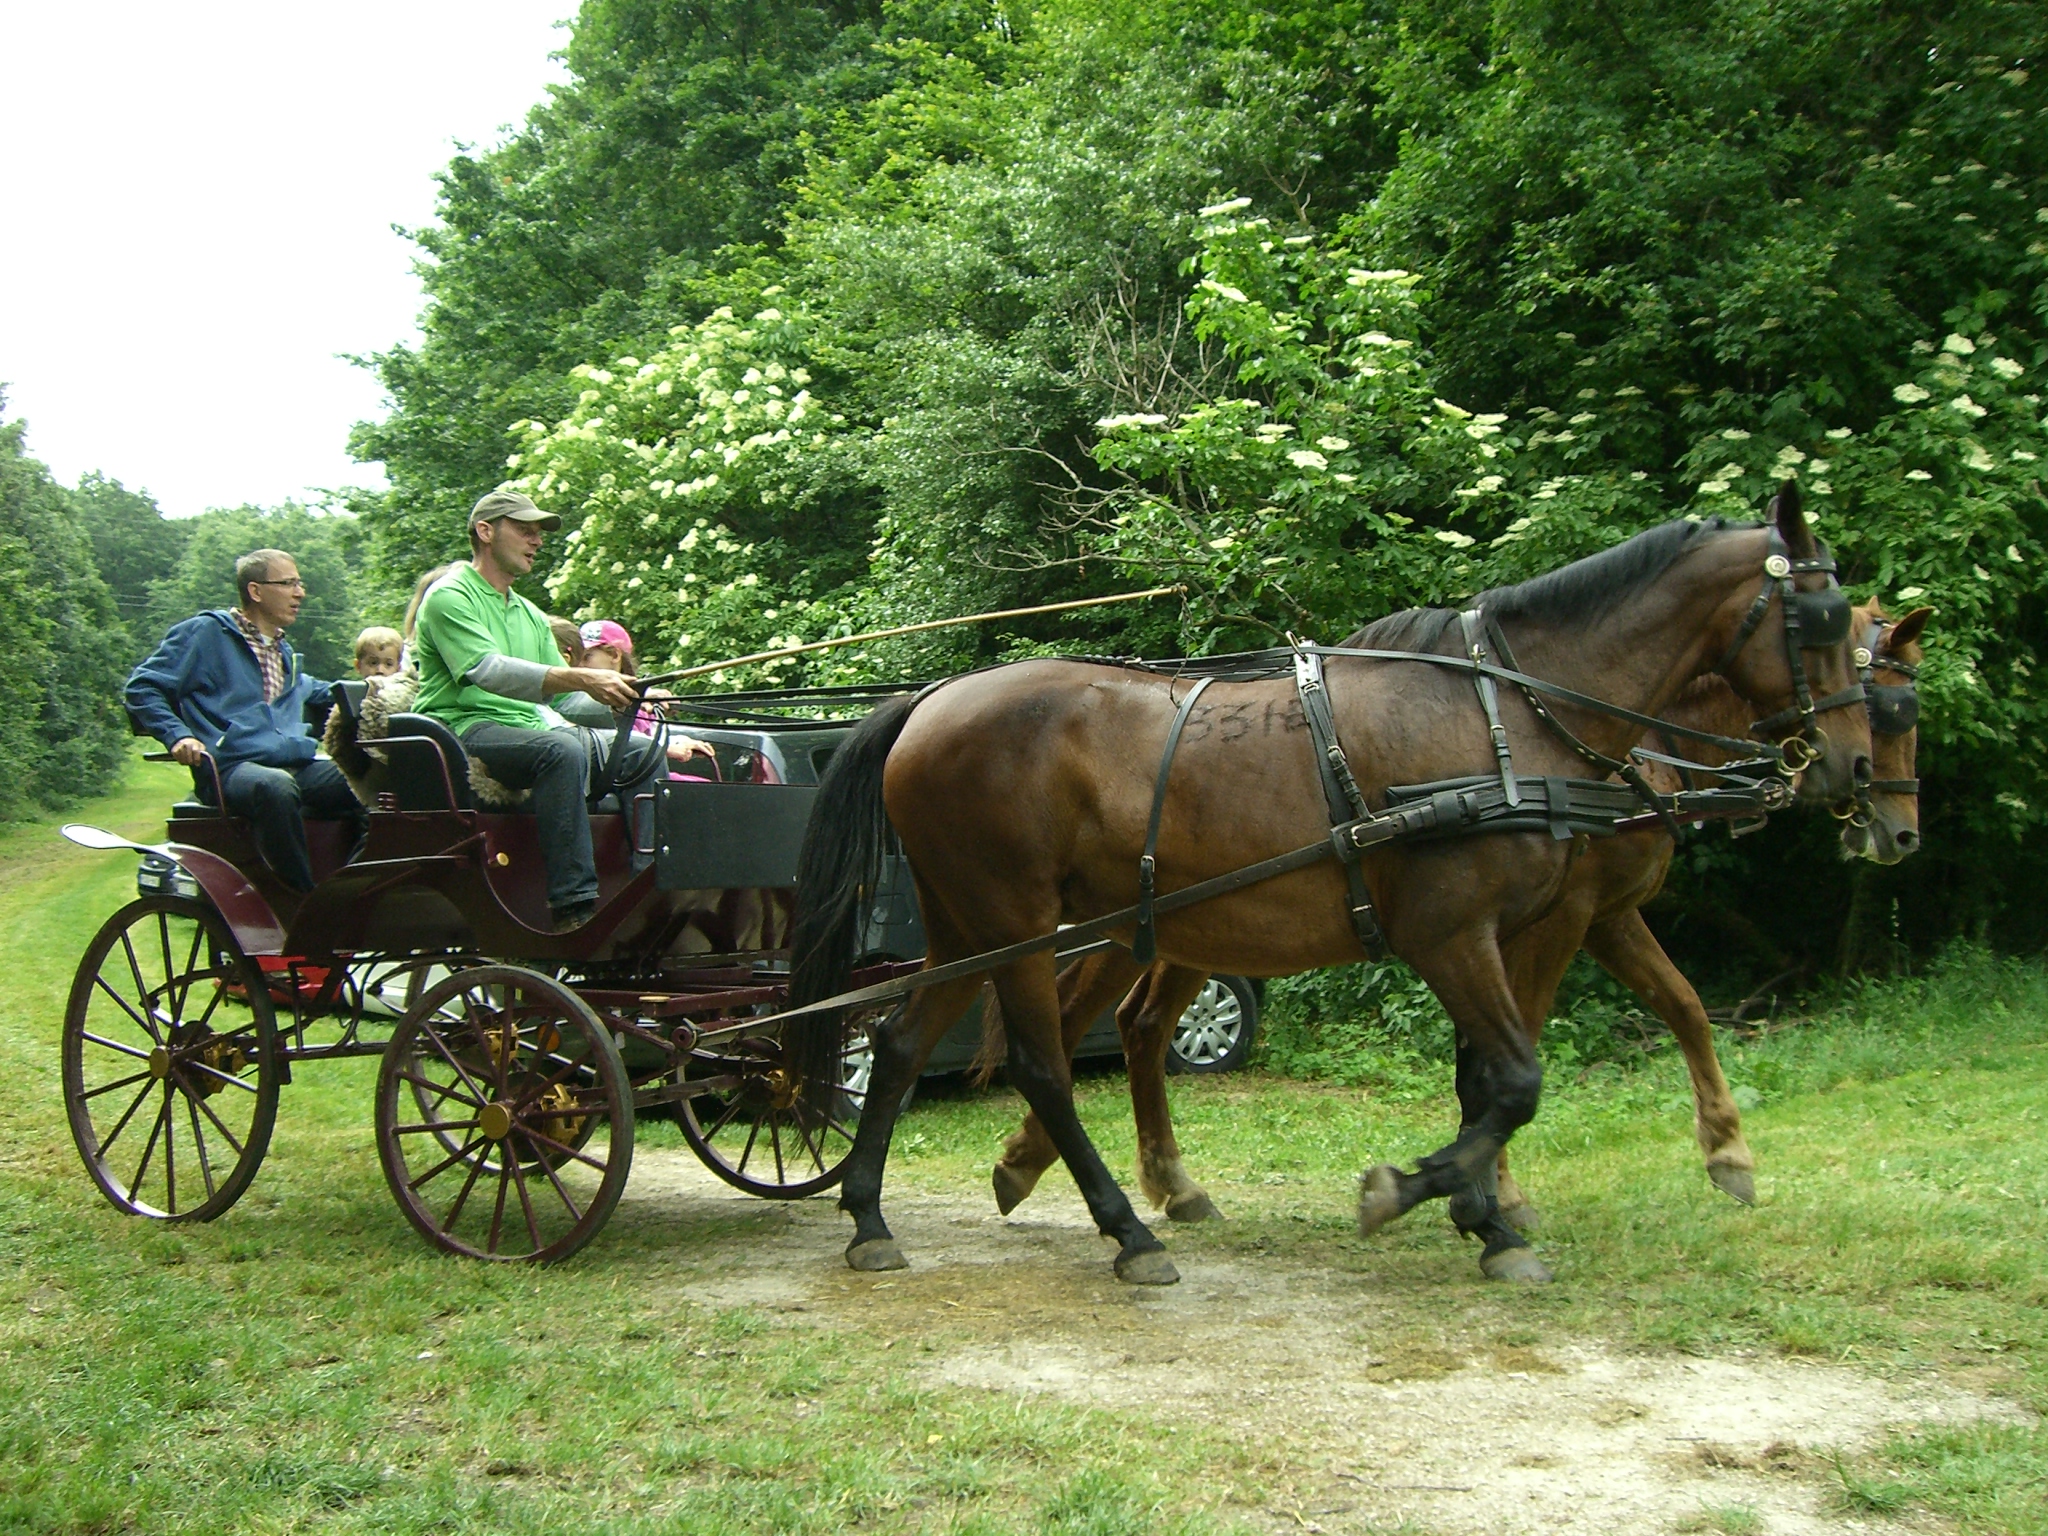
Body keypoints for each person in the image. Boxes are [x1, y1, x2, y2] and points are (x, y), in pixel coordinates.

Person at [411, 491, 667, 931]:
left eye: (538, 533)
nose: (537, 541)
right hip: (463, 729)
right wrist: (586, 677)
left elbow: (566, 702)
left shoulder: (529, 613)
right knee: (560, 749)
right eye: (524, 530)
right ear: (485, 531)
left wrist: (628, 696)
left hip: (528, 730)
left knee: (642, 750)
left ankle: (647, 886)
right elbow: (487, 670)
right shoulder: (449, 596)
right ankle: (574, 906)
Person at [126, 548, 367, 894]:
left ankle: (353, 891)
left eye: (299, 583)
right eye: (288, 583)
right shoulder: (206, 634)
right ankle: (300, 902)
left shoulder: (283, 653)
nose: (301, 593)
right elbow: (143, 687)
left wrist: (388, 689)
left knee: (376, 779)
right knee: (275, 787)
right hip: (230, 769)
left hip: (293, 765)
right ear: (255, 591)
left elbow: (324, 693)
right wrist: (177, 735)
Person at [576, 617, 718, 774]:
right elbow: (616, 744)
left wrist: (680, 741)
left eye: (587, 657)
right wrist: (665, 748)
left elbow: (647, 735)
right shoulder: (578, 698)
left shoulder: (643, 701)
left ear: (615, 655)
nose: (579, 665)